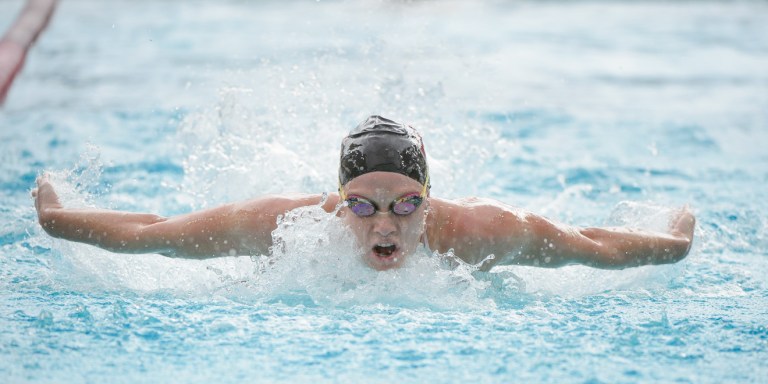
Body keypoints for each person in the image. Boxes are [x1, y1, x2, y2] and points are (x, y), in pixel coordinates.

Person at [32, 115, 696, 271]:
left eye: (406, 204)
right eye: (364, 205)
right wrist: (61, 221)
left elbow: (595, 249)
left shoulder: (480, 233)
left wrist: (675, 238)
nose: (386, 224)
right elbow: (154, 231)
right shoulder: (282, 227)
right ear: (337, 200)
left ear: (429, 201)